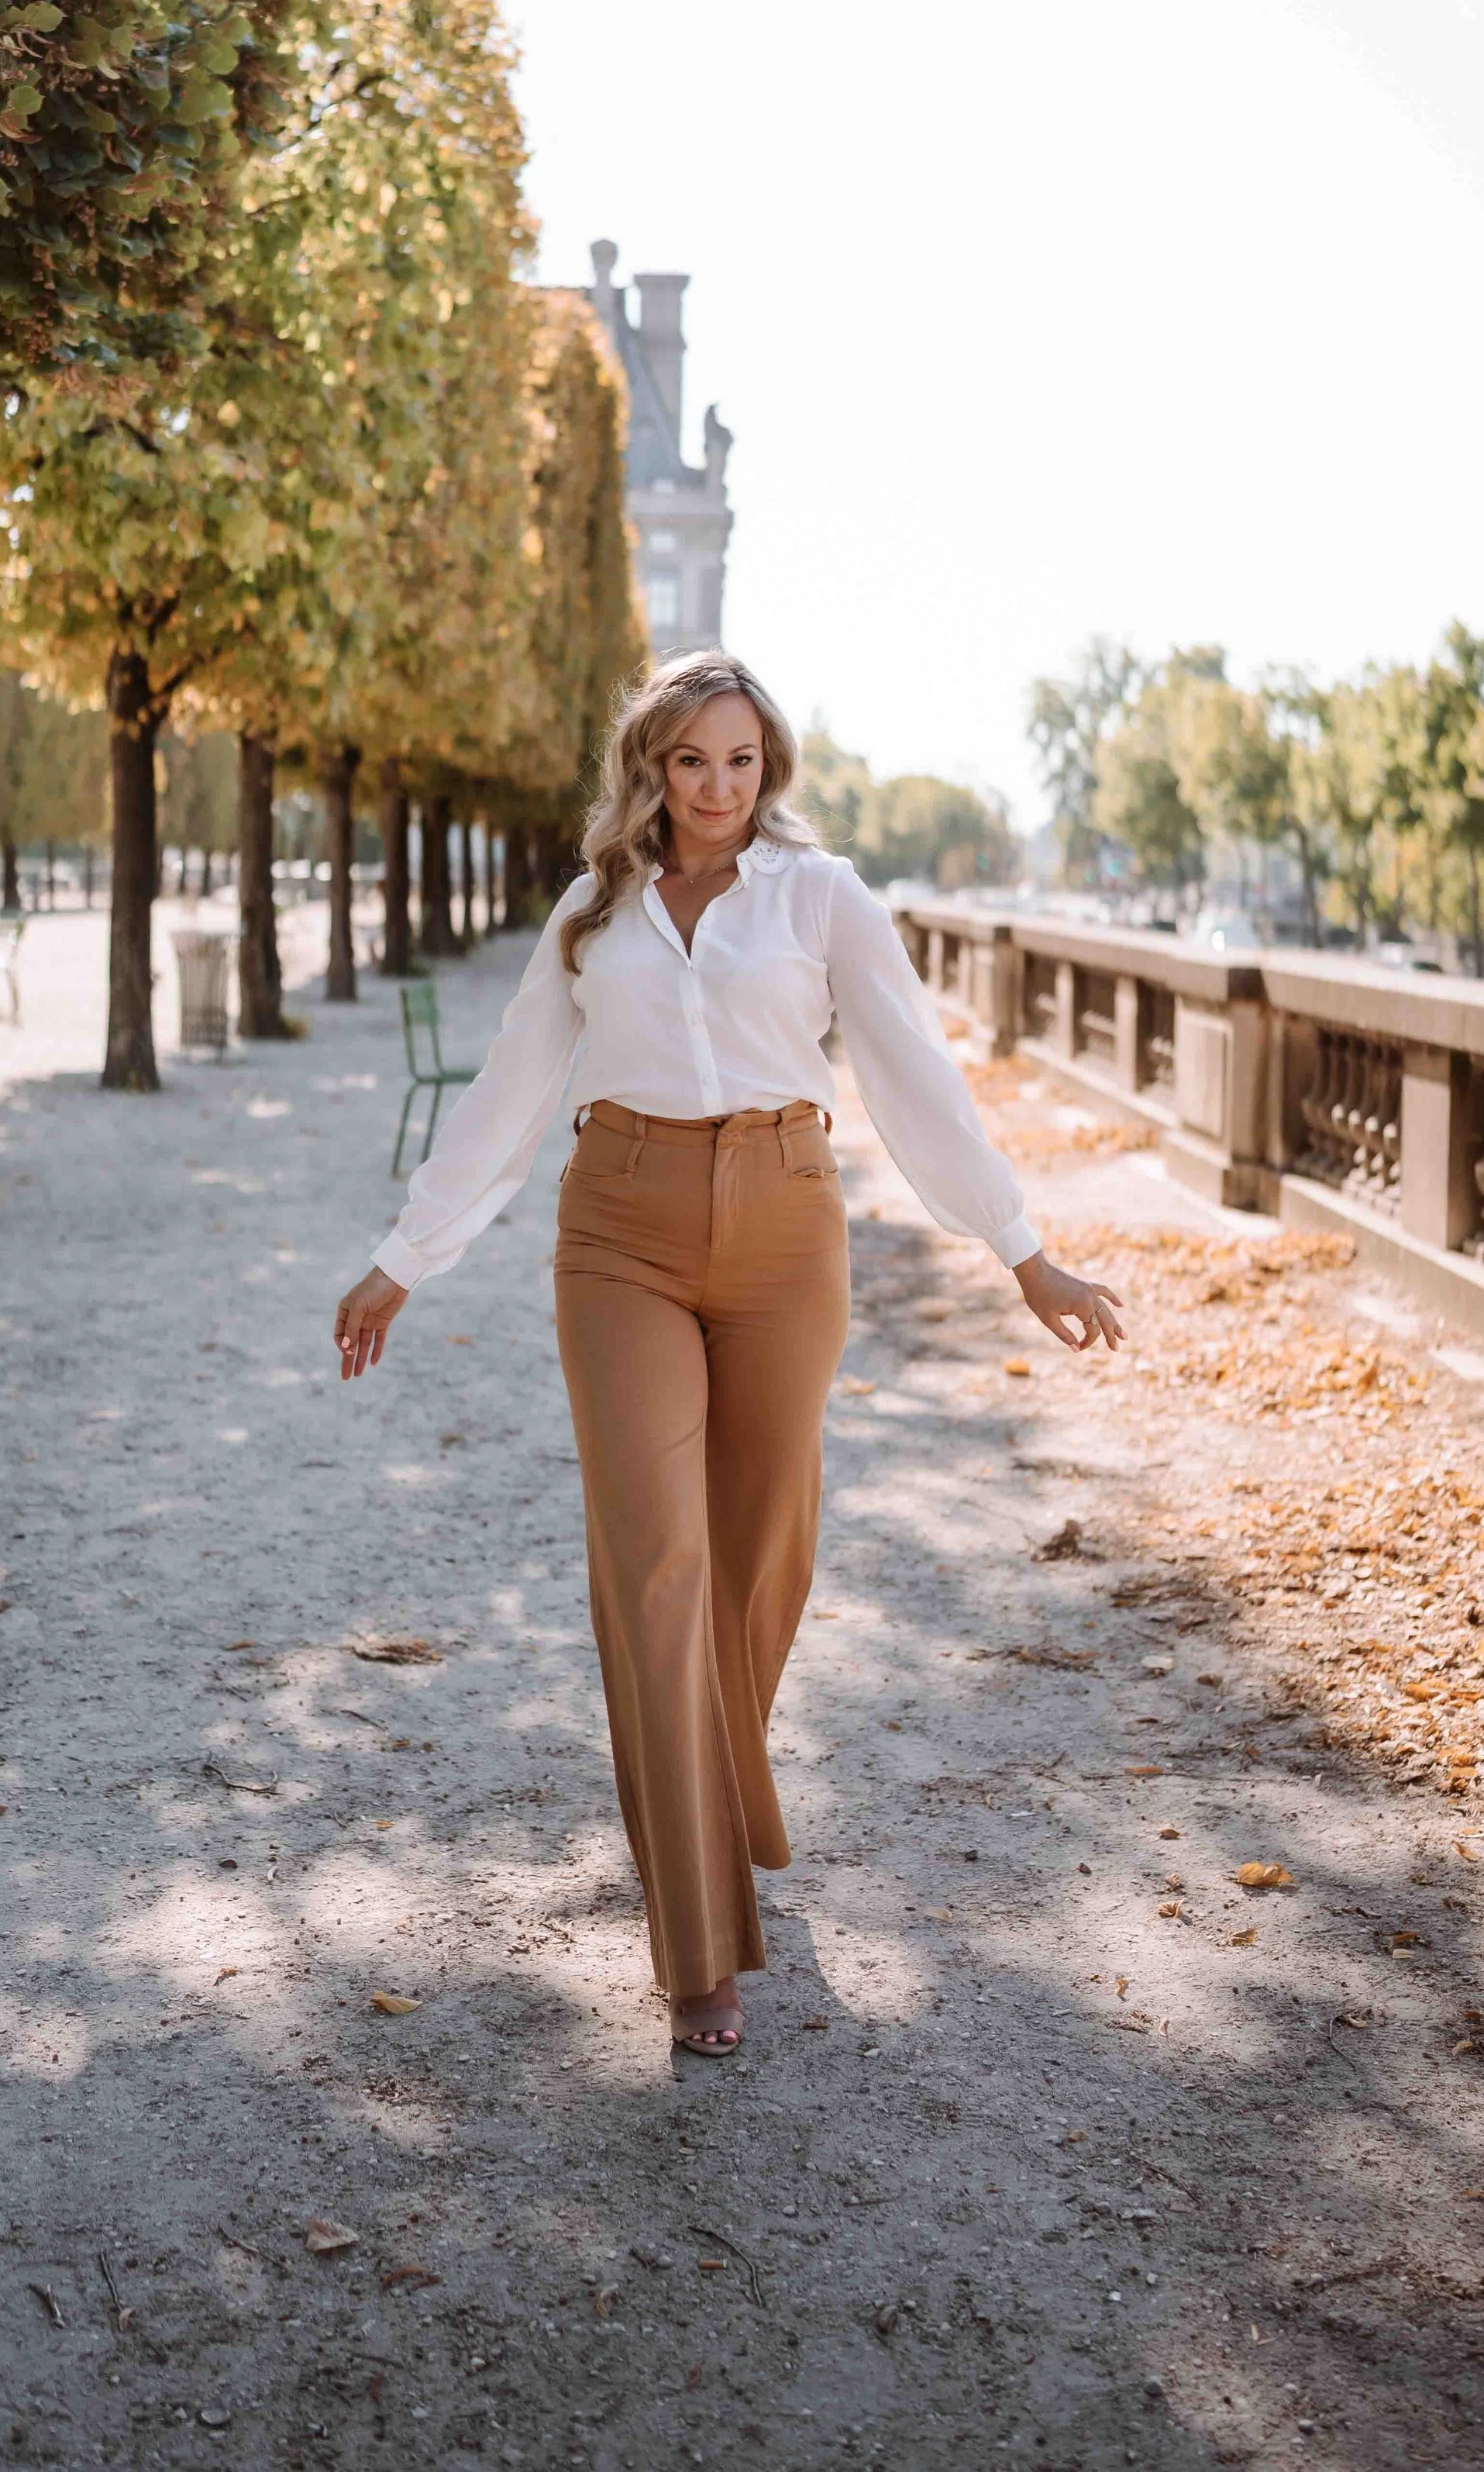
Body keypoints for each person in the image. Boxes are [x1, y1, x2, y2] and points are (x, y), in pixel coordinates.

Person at [332, 653, 1123, 2058]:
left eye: (742, 762)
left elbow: (911, 1080)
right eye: (693, 761)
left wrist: (1021, 1249)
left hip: (785, 1229)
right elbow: (514, 1090)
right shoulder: (595, 911)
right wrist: (408, 1257)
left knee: (765, 1554)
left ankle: (712, 1782)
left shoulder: (823, 899)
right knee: (658, 1563)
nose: (717, 788)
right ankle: (695, 1944)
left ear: (774, 769)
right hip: (620, 1230)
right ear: (652, 765)